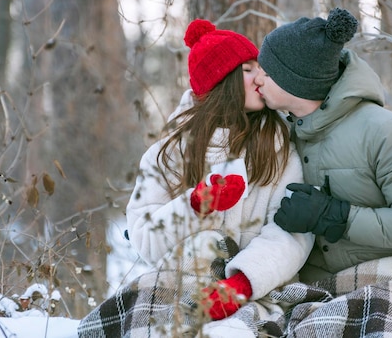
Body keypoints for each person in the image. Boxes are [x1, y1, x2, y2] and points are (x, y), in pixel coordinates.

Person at [123, 19, 313, 322]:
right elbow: (144, 239)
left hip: (259, 292)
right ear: (220, 83)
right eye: (247, 70)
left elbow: (292, 233)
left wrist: (241, 284)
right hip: (182, 289)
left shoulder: (280, 146)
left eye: (259, 69)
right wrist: (195, 205)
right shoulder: (168, 153)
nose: (260, 78)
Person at [254, 7, 392, 283]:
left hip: (385, 283)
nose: (258, 79)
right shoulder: (282, 133)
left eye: (268, 74)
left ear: (297, 82)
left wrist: (334, 216)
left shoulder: (386, 132)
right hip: (306, 289)